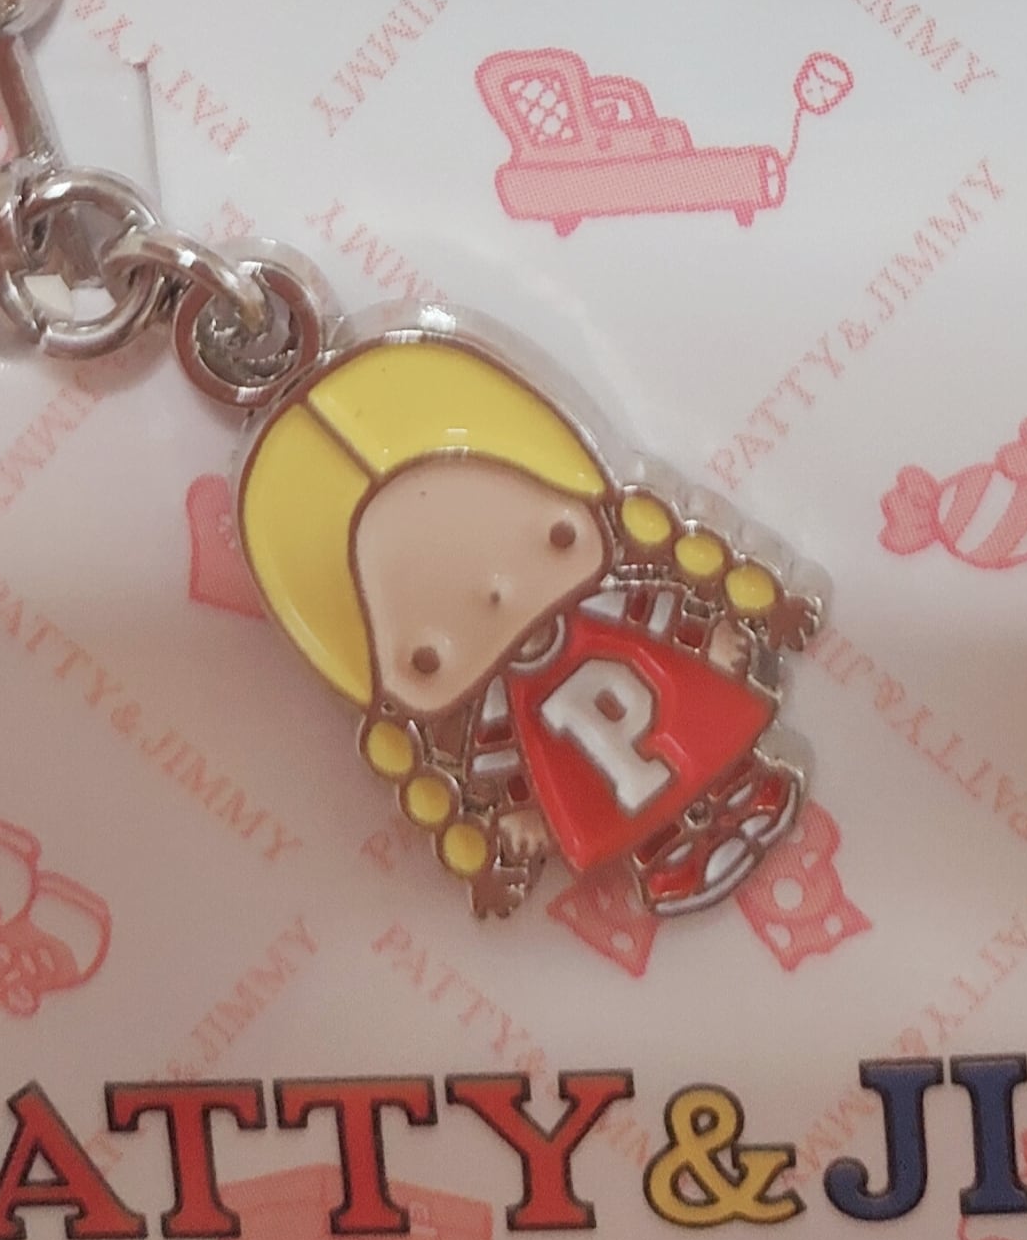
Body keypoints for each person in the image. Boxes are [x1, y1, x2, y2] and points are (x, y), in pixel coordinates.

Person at [238, 335, 817, 918]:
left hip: (697, 728)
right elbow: (496, 763)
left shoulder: (609, 603)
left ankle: (755, 793)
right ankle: (667, 863)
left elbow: (660, 611)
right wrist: (521, 820)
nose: (495, 594)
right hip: (603, 803)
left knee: (734, 769)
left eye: (554, 537)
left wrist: (715, 640)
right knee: (655, 835)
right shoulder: (495, 706)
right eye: (426, 657)